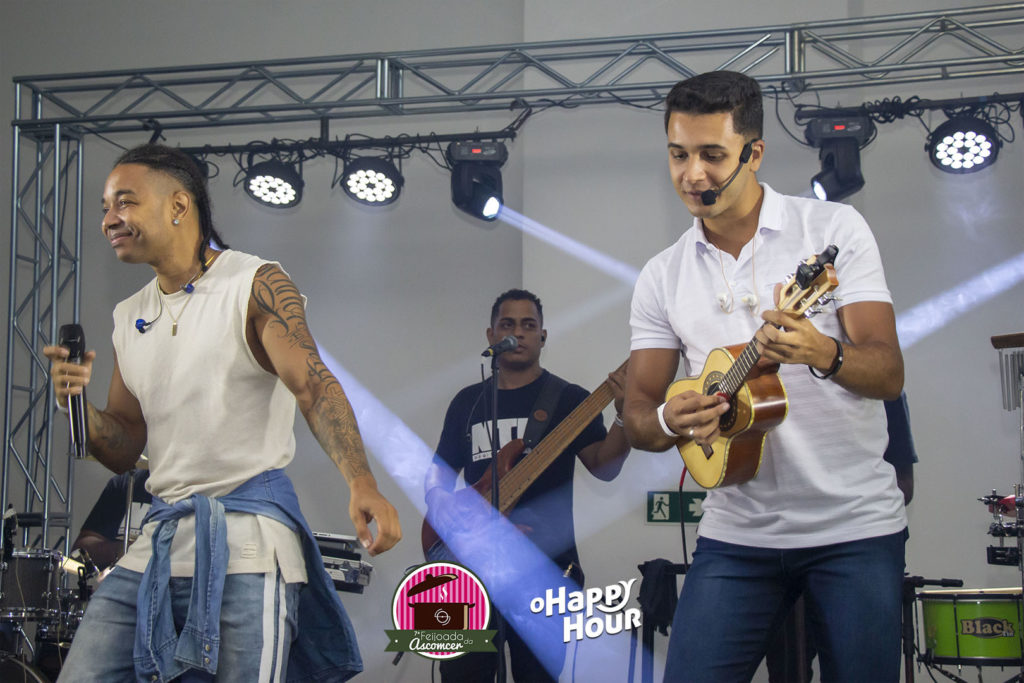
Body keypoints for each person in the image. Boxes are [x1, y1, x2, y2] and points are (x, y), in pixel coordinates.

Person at [43, 143, 400, 682]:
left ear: (178, 205)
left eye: (125, 202)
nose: (109, 220)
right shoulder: (129, 315)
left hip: (248, 545)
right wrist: (77, 405)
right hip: (159, 543)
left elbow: (311, 385)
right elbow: (123, 447)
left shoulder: (255, 284)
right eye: (105, 207)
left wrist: (362, 481)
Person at [623, 71, 907, 682]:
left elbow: (888, 374)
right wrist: (671, 419)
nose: (692, 174)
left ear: (754, 153)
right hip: (737, 531)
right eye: (678, 155)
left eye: (712, 154)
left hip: (853, 527)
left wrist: (825, 352)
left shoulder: (832, 231)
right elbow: (638, 414)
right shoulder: (662, 275)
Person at [423, 288, 631, 683]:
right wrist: (446, 512)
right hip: (469, 571)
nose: (518, 333)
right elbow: (438, 475)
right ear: (491, 335)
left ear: (542, 336)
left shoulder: (570, 400)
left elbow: (605, 468)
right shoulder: (467, 402)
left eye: (528, 325)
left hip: (546, 570)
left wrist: (623, 417)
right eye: (508, 324)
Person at [765, 391, 919, 682]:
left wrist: (841, 493)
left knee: (855, 665)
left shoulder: (883, 388)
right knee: (787, 669)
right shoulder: (775, 391)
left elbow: (904, 484)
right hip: (784, 539)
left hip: (856, 540)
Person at [72, 468, 152, 570]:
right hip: (121, 577)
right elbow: (79, 552)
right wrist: (119, 549)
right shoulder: (126, 482)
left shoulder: (173, 495)